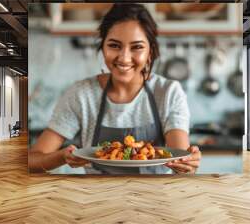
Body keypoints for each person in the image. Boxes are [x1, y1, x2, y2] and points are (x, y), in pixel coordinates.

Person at [29, 3, 201, 174]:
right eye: (114, 45)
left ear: (151, 51)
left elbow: (181, 161)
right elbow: (33, 160)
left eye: (137, 47)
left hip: (156, 197)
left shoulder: (168, 92)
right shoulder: (82, 94)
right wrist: (62, 157)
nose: (124, 58)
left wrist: (187, 163)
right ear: (102, 47)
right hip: (95, 198)